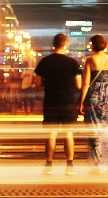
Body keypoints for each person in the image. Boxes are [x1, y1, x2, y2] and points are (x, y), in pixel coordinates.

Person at [34, 33, 82, 175]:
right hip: (68, 102)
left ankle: (49, 166)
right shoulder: (72, 62)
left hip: (51, 102)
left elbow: (37, 83)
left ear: (52, 45)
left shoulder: (45, 61)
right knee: (68, 135)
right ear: (65, 45)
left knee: (51, 135)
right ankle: (70, 166)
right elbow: (79, 85)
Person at [80, 34, 108, 173]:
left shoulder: (90, 60)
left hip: (93, 98)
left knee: (94, 132)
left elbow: (85, 83)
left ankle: (96, 165)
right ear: (105, 44)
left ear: (92, 45)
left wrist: (81, 102)